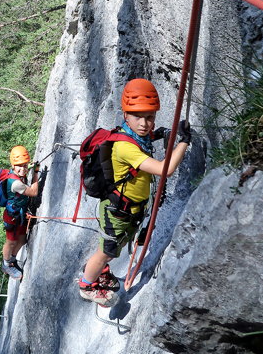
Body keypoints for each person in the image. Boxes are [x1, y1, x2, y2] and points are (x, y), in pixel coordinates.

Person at [79, 78, 191, 306]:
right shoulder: (126, 146)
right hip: (117, 212)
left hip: (127, 210)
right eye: (137, 116)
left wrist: (159, 133)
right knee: (106, 252)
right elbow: (165, 169)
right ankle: (87, 284)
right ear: (125, 114)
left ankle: (99, 271)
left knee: (112, 248)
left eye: (149, 117)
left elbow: (147, 136)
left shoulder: (134, 135)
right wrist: (184, 141)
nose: (144, 123)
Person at [1, 145, 39, 280]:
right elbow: (33, 192)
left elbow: (22, 170)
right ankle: (6, 264)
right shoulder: (15, 183)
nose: (23, 169)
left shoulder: (17, 173)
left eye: (25, 165)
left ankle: (12, 260)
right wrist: (35, 173)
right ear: (12, 165)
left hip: (20, 214)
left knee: (22, 240)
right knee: (11, 242)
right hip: (12, 217)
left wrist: (29, 167)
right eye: (19, 166)